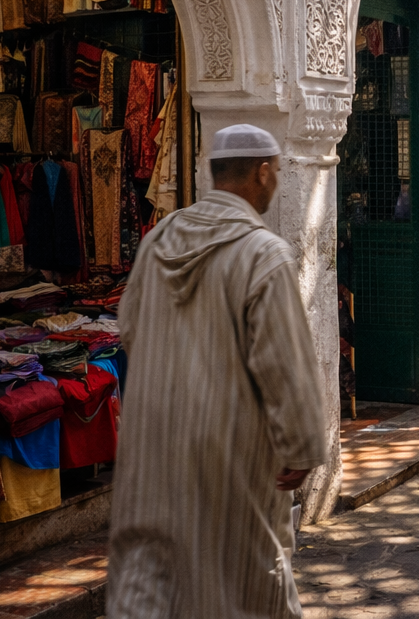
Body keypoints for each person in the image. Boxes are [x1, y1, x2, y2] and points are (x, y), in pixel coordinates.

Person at [109, 124, 327, 618]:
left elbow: (129, 329)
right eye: (277, 172)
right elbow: (284, 362)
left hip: (154, 444)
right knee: (239, 576)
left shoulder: (159, 240)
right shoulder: (263, 255)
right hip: (228, 451)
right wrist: (302, 444)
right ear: (263, 172)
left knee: (152, 573)